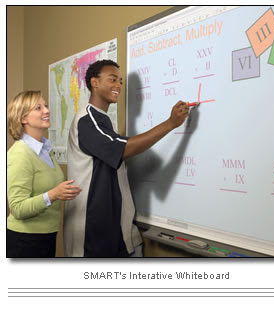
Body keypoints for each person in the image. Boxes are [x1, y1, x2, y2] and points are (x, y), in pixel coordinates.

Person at [64, 59, 190, 258]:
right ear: (94, 83)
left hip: (113, 230)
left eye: (121, 81)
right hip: (92, 233)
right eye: (113, 79)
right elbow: (121, 149)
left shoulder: (103, 121)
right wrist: (170, 123)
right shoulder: (87, 120)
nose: (118, 86)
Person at [7, 90, 82, 258]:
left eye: (46, 106)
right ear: (23, 118)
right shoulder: (19, 153)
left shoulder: (46, 149)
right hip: (24, 241)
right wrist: (53, 194)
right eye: (38, 108)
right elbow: (17, 208)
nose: (47, 111)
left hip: (47, 236)